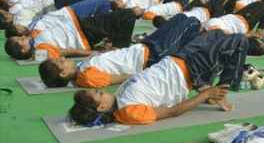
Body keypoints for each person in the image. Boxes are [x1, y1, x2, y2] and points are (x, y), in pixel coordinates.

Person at [68, 29, 249, 126]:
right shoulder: (128, 112)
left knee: (215, 33)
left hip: (176, 60)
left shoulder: (120, 98)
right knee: (240, 41)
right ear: (101, 107)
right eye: (99, 94)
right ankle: (222, 92)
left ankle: (204, 83)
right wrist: (206, 95)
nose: (103, 91)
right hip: (189, 71)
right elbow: (171, 111)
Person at [39, 13, 202, 88]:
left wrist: (107, 48)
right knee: (192, 22)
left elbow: (104, 57)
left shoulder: (81, 68)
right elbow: (120, 79)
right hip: (150, 57)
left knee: (180, 18)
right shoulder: (86, 78)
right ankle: (198, 62)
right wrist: (151, 72)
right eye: (61, 61)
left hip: (142, 47)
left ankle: (192, 52)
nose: (65, 59)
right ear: (62, 74)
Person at [4, 8, 137, 60]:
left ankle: (117, 46)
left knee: (119, 18)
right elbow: (68, 52)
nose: (23, 37)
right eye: (21, 39)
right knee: (127, 15)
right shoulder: (38, 52)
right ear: (23, 49)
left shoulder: (36, 45)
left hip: (81, 26)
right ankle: (120, 52)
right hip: (84, 31)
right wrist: (97, 53)